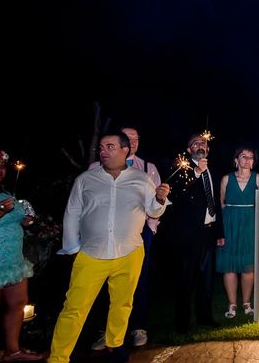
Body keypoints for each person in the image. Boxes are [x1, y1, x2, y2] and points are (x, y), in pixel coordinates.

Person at [48, 131, 170, 363]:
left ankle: (115, 345)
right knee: (74, 308)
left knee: (122, 303)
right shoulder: (85, 179)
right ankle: (58, 357)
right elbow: (72, 213)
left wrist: (161, 199)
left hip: (130, 252)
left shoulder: (141, 178)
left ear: (126, 150)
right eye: (101, 147)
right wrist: (73, 248)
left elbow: (153, 211)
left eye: (110, 146)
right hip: (91, 254)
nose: (103, 151)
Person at [88, 127, 161, 350]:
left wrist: (151, 227)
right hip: (103, 234)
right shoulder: (95, 168)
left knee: (137, 280)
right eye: (128, 139)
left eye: (136, 139)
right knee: (103, 282)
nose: (133, 142)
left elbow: (158, 201)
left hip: (138, 234)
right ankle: (105, 331)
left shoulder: (148, 168)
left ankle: (138, 327)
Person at [156, 133, 223, 333]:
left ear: (208, 148)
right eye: (194, 143)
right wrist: (196, 171)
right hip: (187, 234)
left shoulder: (215, 170)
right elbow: (176, 193)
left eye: (203, 142)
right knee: (185, 279)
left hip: (209, 232)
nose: (199, 145)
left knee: (207, 279)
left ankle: (205, 317)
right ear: (189, 149)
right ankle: (182, 323)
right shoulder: (180, 169)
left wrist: (220, 232)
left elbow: (217, 202)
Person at [0, 150, 40, 362]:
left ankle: (12, 351)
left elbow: (18, 220)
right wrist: (0, 210)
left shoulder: (8, 193)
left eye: (1, 165)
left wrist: (26, 220)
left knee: (18, 305)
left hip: (14, 260)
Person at [216, 147, 259, 319]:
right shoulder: (226, 179)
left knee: (248, 266)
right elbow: (221, 203)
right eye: (243, 157)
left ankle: (246, 303)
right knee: (229, 266)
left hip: (251, 224)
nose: (247, 160)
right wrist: (221, 230)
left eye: (251, 157)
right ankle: (232, 305)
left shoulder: (258, 178)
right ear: (236, 160)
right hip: (230, 224)